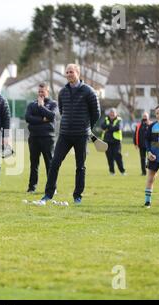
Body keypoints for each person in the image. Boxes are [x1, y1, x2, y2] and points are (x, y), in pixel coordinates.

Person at [38, 64, 101, 205]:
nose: (68, 74)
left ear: (78, 73)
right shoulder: (62, 92)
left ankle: (77, 196)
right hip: (65, 134)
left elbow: (96, 113)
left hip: (81, 135)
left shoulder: (89, 91)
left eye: (71, 72)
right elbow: (62, 109)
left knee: (80, 166)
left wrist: (87, 126)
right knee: (54, 163)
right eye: (67, 72)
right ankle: (48, 194)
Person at [25, 83, 57, 193]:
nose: (40, 93)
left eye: (42, 91)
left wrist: (41, 106)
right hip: (34, 137)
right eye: (39, 91)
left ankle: (52, 188)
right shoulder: (31, 105)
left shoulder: (53, 104)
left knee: (50, 164)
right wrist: (42, 119)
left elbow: (52, 116)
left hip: (47, 138)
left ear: (47, 92)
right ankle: (31, 188)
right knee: (34, 164)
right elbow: (28, 118)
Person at [101, 108, 126, 175]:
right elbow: (102, 126)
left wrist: (108, 127)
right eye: (111, 113)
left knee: (117, 156)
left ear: (116, 114)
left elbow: (117, 128)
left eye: (113, 113)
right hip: (107, 141)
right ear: (109, 114)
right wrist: (111, 127)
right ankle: (112, 172)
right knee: (109, 157)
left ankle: (122, 171)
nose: (112, 114)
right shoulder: (106, 119)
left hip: (116, 142)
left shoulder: (119, 120)